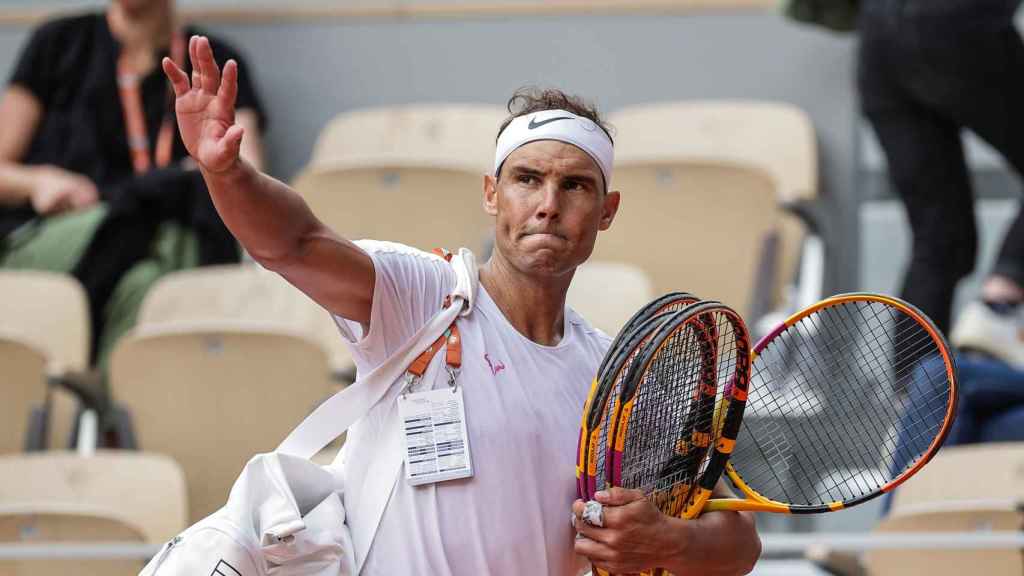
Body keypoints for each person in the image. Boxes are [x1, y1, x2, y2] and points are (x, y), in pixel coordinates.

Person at [163, 36, 760, 575]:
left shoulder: (621, 379)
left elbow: (740, 539)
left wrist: (671, 543)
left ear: (608, 211)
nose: (548, 204)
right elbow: (292, 243)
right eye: (527, 179)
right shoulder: (422, 298)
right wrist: (228, 174)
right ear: (491, 194)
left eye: (575, 185)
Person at [0, 0, 267, 369]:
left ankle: (105, 417)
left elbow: (251, 179)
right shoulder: (59, 43)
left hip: (156, 247)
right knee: (173, 222)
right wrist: (37, 182)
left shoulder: (213, 61)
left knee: (147, 283)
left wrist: (217, 166)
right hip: (63, 228)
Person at [856, 0, 1024, 357]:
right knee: (940, 236)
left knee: (940, 238)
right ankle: (1000, 306)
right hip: (958, 22)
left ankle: (917, 398)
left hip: (880, 37)